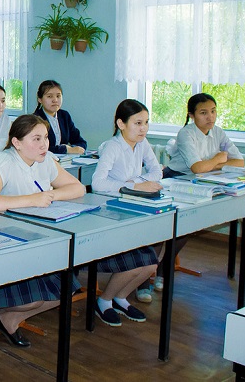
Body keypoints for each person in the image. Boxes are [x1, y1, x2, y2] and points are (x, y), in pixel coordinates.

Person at [0, 114, 85, 346]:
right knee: (34, 299)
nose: (44, 144)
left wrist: (50, 195)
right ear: (17, 142)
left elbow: (78, 188)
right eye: (36, 139)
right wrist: (32, 199)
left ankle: (9, 319)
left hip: (37, 236)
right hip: (8, 242)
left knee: (66, 290)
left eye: (45, 137)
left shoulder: (45, 160)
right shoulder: (4, 161)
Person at [143, 93, 245, 294]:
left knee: (185, 228)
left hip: (199, 183)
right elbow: (197, 168)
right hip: (175, 179)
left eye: (213, 111)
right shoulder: (186, 134)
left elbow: (240, 162)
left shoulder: (218, 132)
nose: (210, 117)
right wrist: (218, 159)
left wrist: (212, 164)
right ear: (191, 115)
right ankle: (143, 280)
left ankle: (163, 270)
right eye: (203, 113)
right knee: (161, 230)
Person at [89, 99, 159, 326]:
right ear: (121, 124)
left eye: (146, 122)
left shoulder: (142, 143)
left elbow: (157, 172)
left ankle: (120, 298)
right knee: (136, 264)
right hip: (109, 214)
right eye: (137, 123)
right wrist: (134, 185)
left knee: (151, 265)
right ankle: (104, 301)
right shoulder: (112, 146)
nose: (143, 128)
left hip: (132, 208)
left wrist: (137, 182)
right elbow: (98, 183)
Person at [32, 80, 87, 154]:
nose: (55, 100)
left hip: (66, 160)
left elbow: (80, 141)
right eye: (49, 96)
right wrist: (65, 149)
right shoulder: (34, 120)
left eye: (58, 96)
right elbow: (37, 148)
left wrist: (77, 148)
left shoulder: (64, 116)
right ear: (40, 99)